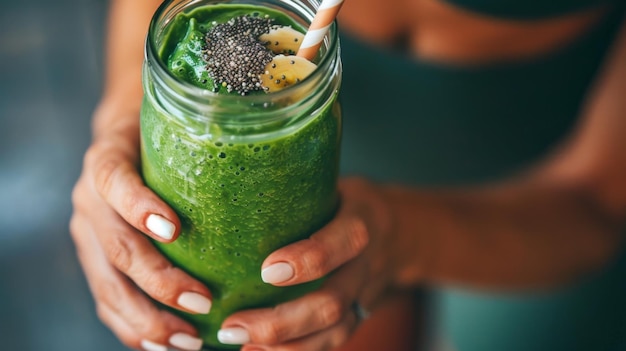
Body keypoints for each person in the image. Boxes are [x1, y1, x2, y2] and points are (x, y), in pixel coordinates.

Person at [70, 0, 626, 350]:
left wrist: (399, 239)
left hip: (533, 197)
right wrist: (127, 121)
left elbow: (601, 204)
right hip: (276, 161)